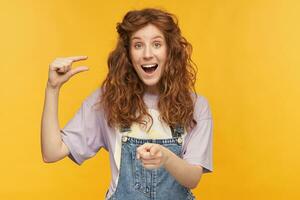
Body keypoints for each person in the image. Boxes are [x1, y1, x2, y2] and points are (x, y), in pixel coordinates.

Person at [41, 8, 213, 200]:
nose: (147, 54)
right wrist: (52, 88)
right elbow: (51, 152)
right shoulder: (108, 100)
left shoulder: (196, 106)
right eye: (138, 45)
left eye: (156, 44)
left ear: (170, 51)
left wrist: (166, 158)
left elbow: (193, 179)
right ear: (128, 54)